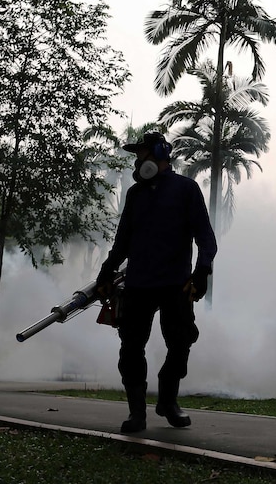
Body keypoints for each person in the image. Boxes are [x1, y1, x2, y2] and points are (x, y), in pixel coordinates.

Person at [96, 131, 218, 433]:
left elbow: (206, 238)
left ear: (161, 154)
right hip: (138, 285)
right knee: (131, 348)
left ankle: (167, 399)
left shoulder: (186, 190)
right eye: (137, 155)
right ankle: (137, 413)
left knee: (181, 343)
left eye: (143, 154)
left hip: (176, 284)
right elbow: (122, 241)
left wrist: (201, 272)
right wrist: (106, 271)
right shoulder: (135, 195)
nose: (138, 161)